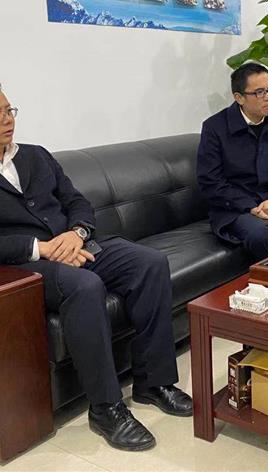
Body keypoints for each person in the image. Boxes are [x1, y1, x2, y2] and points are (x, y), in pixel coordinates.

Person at [0, 88, 192, 451]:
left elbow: (76, 201)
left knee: (149, 263)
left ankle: (154, 382)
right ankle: (105, 408)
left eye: (10, 111)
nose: (8, 120)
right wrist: (43, 248)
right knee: (85, 286)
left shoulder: (36, 155)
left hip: (75, 244)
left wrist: (77, 233)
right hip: (28, 265)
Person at [197, 62, 268, 260]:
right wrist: (250, 206)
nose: (267, 97)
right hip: (235, 206)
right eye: (259, 92)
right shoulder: (215, 128)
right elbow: (210, 181)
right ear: (239, 97)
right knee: (260, 235)